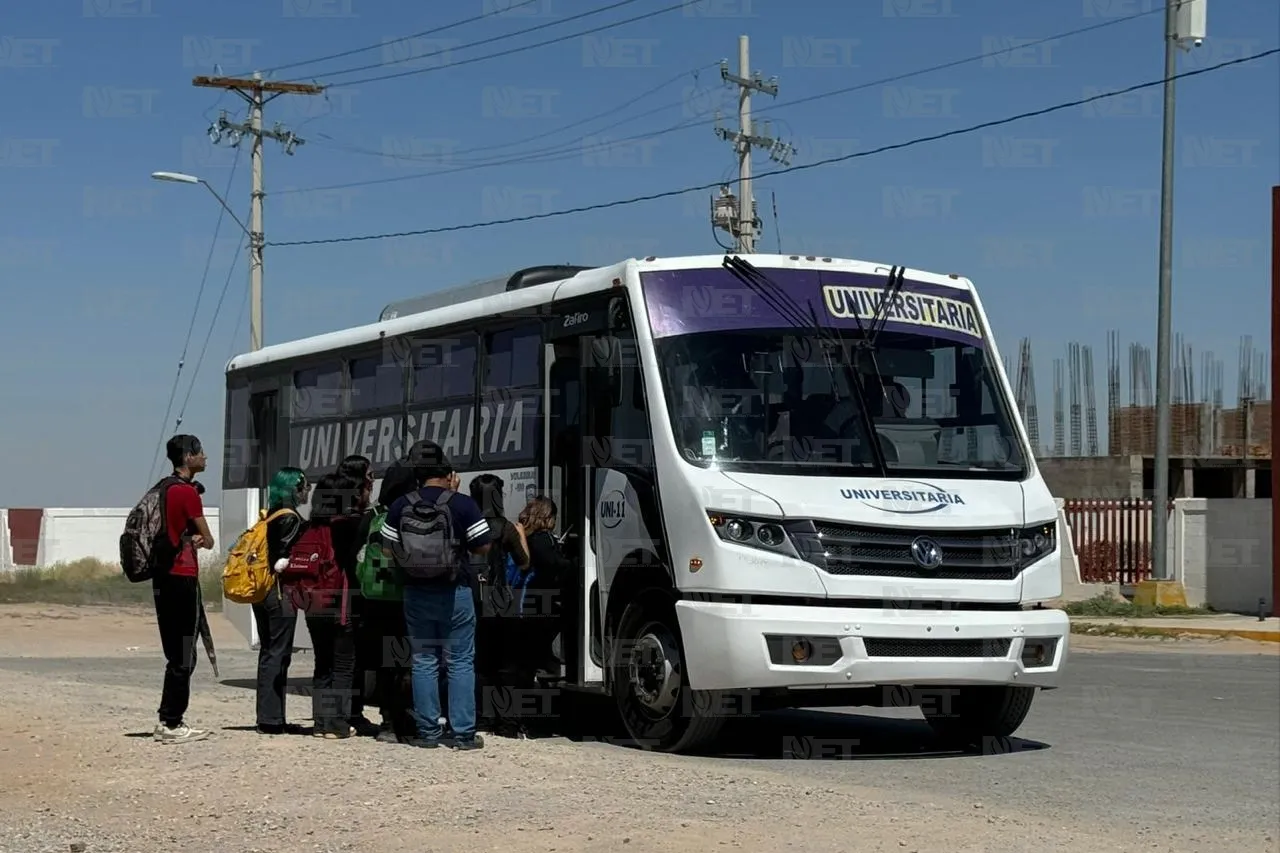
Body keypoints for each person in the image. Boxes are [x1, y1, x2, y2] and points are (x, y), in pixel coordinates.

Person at [383, 440, 492, 750]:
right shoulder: (461, 504)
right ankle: (463, 735)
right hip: (454, 592)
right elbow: (483, 544)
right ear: (448, 474)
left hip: (416, 593)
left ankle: (428, 734)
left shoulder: (400, 505)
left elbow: (388, 549)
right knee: (460, 662)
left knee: (423, 661)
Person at [152, 434, 216, 744]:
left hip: (163, 578)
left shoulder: (163, 489)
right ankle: (171, 722)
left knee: (176, 651)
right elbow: (208, 536)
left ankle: (168, 718)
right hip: (182, 577)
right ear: (188, 458)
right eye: (200, 452)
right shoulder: (188, 494)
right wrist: (202, 539)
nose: (205, 456)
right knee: (185, 653)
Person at [297, 473, 364, 739]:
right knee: (343, 664)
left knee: (322, 663)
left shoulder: (309, 528)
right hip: (339, 603)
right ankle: (337, 723)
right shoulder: (345, 527)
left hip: (313, 603)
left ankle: (322, 723)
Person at [358, 460, 419, 744]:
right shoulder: (409, 514)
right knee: (404, 663)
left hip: (374, 599)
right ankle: (403, 721)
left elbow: (355, 556)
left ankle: (387, 722)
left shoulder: (372, 515)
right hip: (402, 599)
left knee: (385, 664)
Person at [469, 474, 530, 737]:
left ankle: (482, 719)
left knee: (480, 664)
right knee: (507, 666)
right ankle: (507, 723)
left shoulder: (468, 526)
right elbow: (524, 562)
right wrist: (521, 535)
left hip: (473, 601)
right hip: (502, 602)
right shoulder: (505, 528)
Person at [252, 467, 308, 735]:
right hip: (279, 593)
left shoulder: (271, 514)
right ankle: (272, 720)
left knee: (268, 652)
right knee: (278, 654)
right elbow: (283, 560)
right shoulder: (290, 518)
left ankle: (269, 716)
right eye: (304, 485)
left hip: (262, 591)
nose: (307, 491)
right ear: (294, 488)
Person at [335, 454, 380, 737]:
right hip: (353, 593)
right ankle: (352, 713)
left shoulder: (328, 514)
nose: (373, 481)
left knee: (334, 660)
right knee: (354, 658)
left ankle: (333, 715)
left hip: (331, 593)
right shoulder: (361, 520)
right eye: (370, 476)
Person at [518, 496, 573, 679]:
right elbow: (553, 563)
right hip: (541, 596)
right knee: (547, 629)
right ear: (548, 517)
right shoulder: (543, 539)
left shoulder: (530, 536)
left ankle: (542, 663)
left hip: (532, 596)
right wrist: (574, 563)